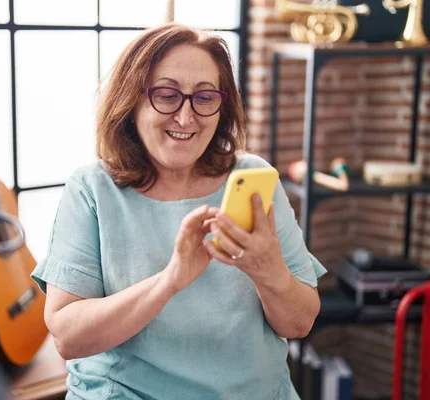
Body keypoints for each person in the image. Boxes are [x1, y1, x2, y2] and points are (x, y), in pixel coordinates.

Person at [31, 22, 326, 400]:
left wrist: (268, 271)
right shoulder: (92, 190)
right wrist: (170, 280)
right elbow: (67, 337)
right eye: (167, 95)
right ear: (130, 101)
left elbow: (300, 322)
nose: (186, 118)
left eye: (204, 98)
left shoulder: (254, 179)